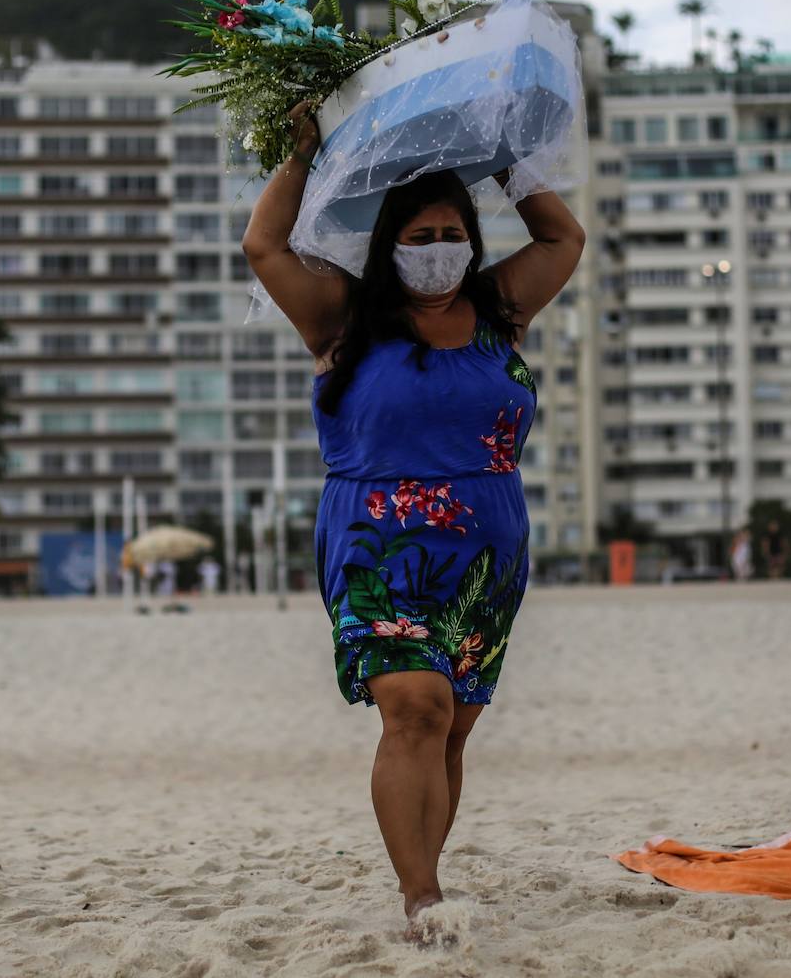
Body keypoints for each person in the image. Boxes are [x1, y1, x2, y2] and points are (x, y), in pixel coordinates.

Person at [242, 102, 585, 930]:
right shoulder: (343, 317)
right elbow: (264, 246)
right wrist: (300, 154)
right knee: (416, 707)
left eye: (451, 235)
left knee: (452, 726)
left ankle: (424, 880)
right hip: (376, 543)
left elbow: (562, 240)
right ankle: (421, 896)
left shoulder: (502, 307)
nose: (439, 251)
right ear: (387, 243)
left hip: (486, 552)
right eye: (420, 238)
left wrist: (505, 159)